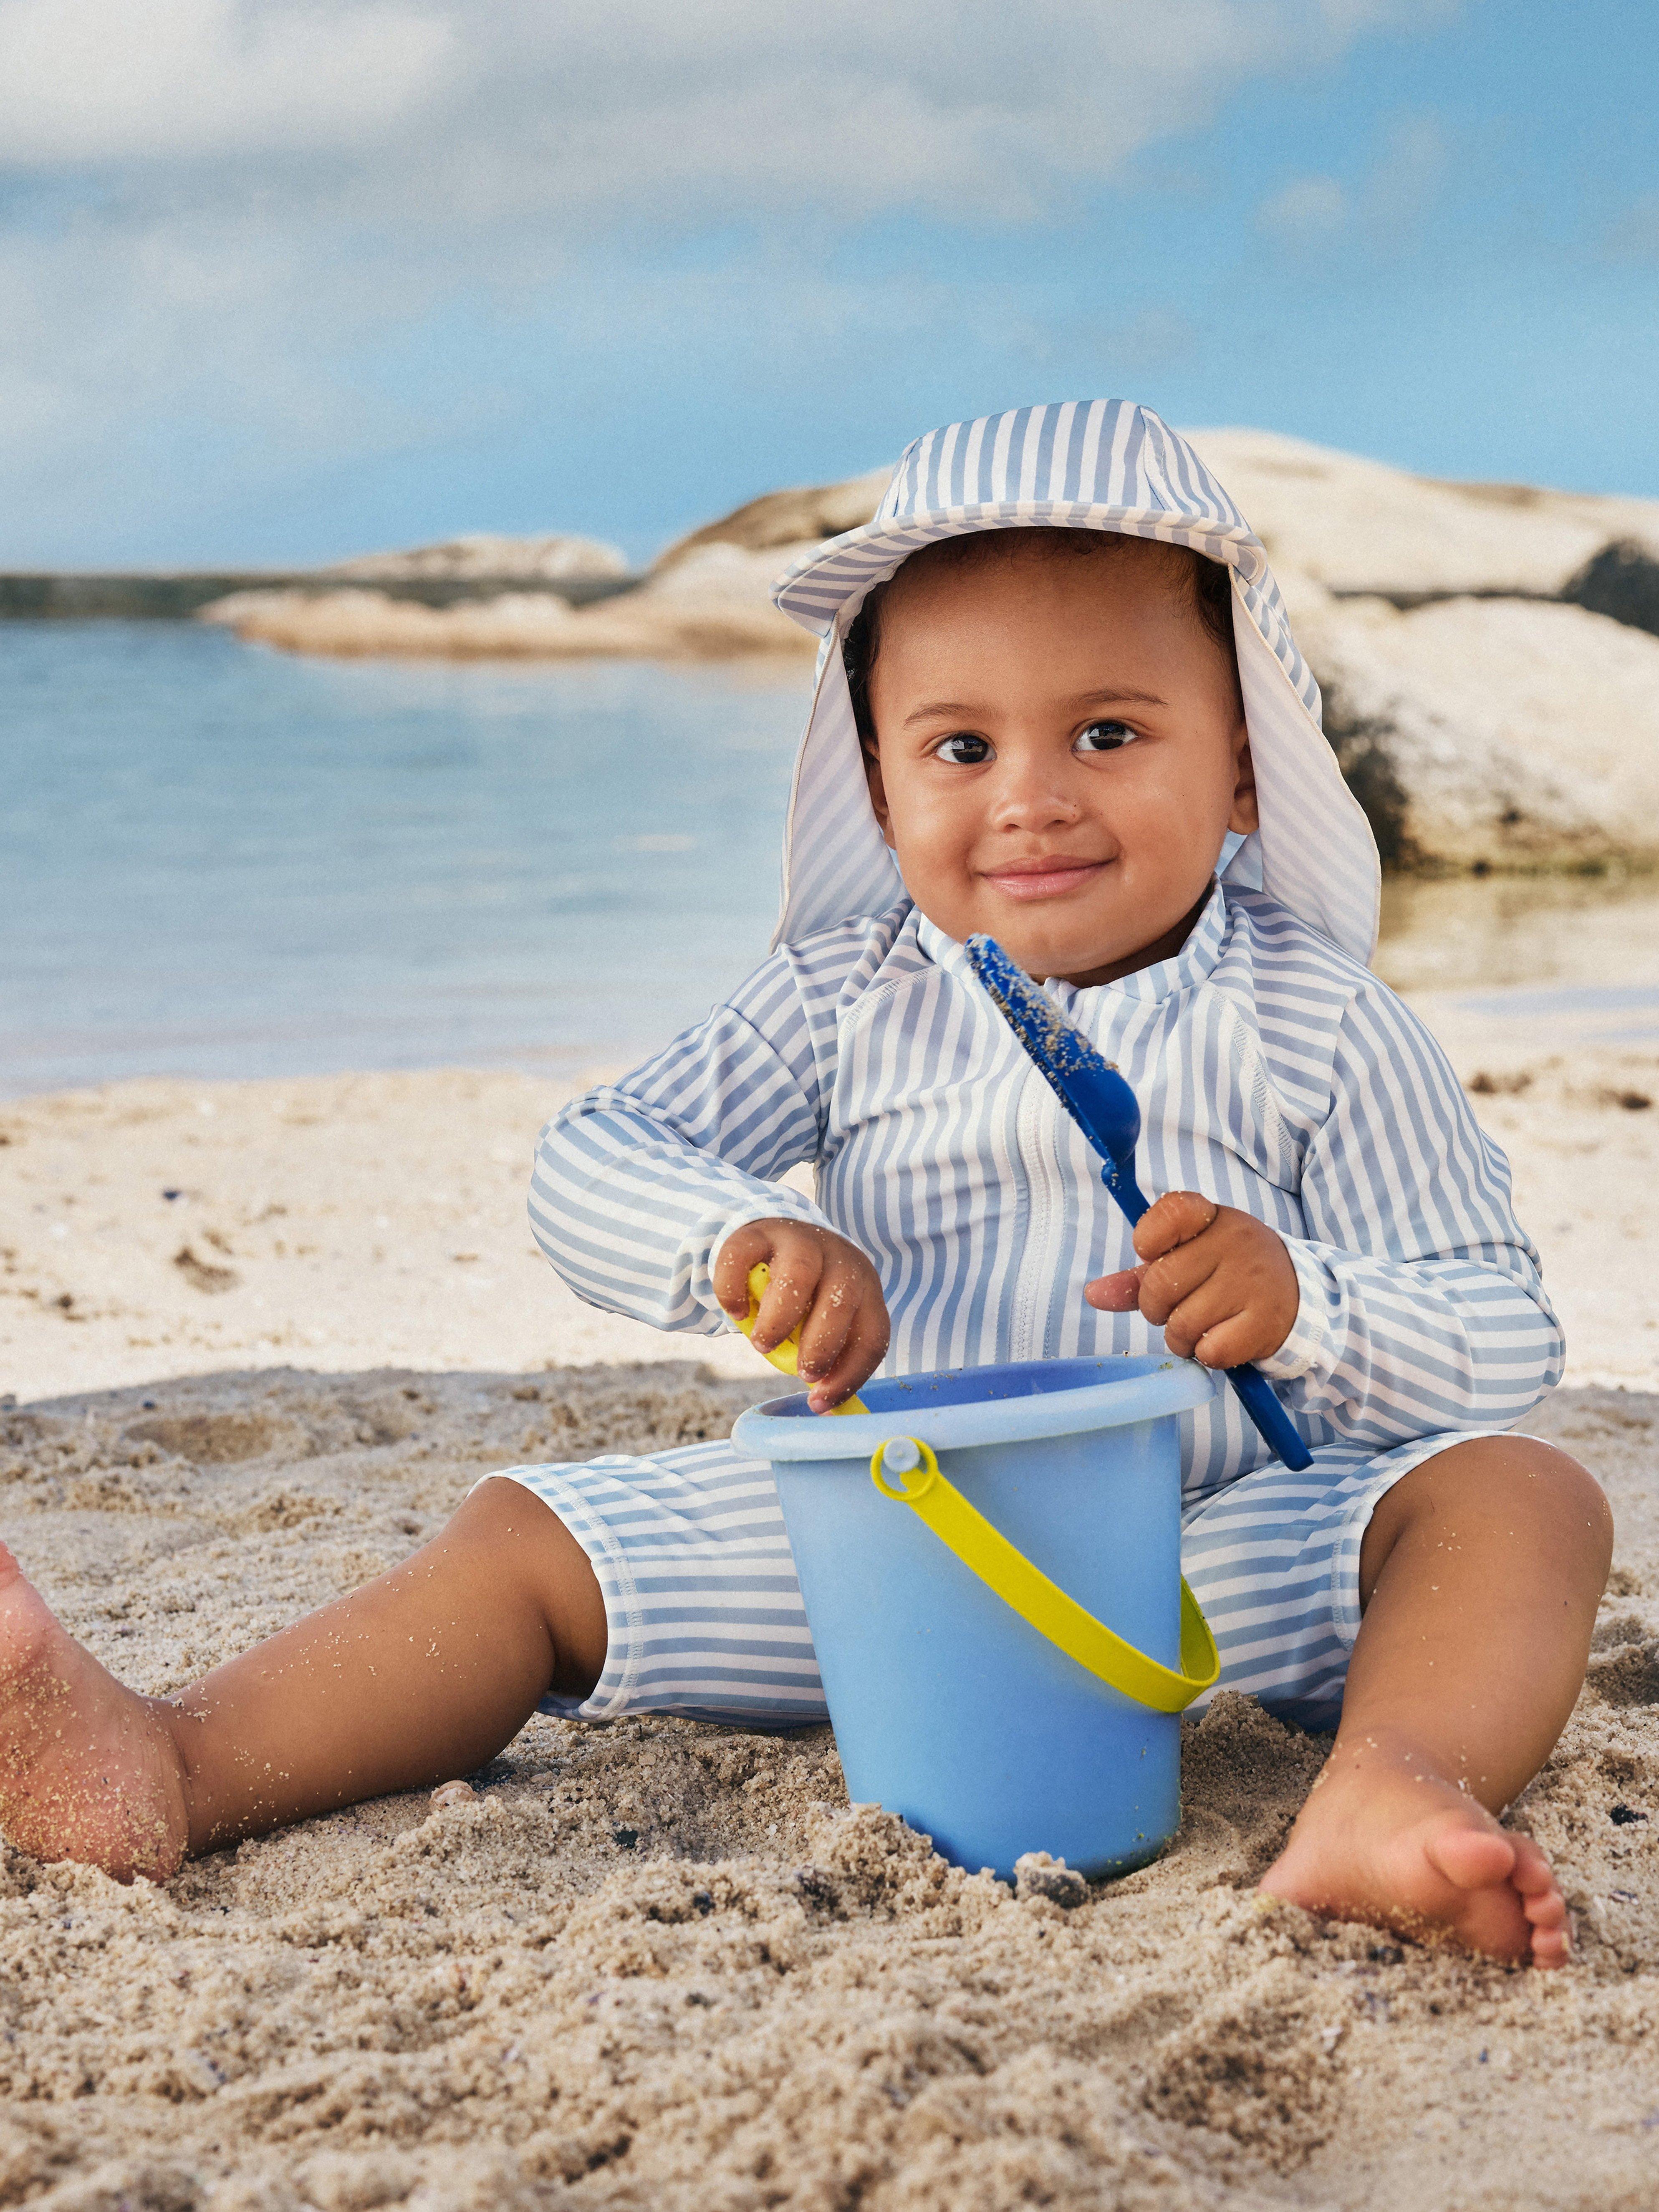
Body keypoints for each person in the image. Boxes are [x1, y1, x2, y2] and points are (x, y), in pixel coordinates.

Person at [0, 401, 1609, 1965]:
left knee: (1519, 1496)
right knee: (516, 1541)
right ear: (878, 780)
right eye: (961, 745)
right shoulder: (846, 994)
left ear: (1250, 766)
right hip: (881, 1556)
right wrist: (739, 1240)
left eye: (1109, 733)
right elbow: (593, 1155)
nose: (1031, 796)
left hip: (1203, 1560)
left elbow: (1500, 1326)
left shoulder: (1318, 1015)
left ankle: (1393, 1779)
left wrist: (1306, 1302)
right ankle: (179, 1763)